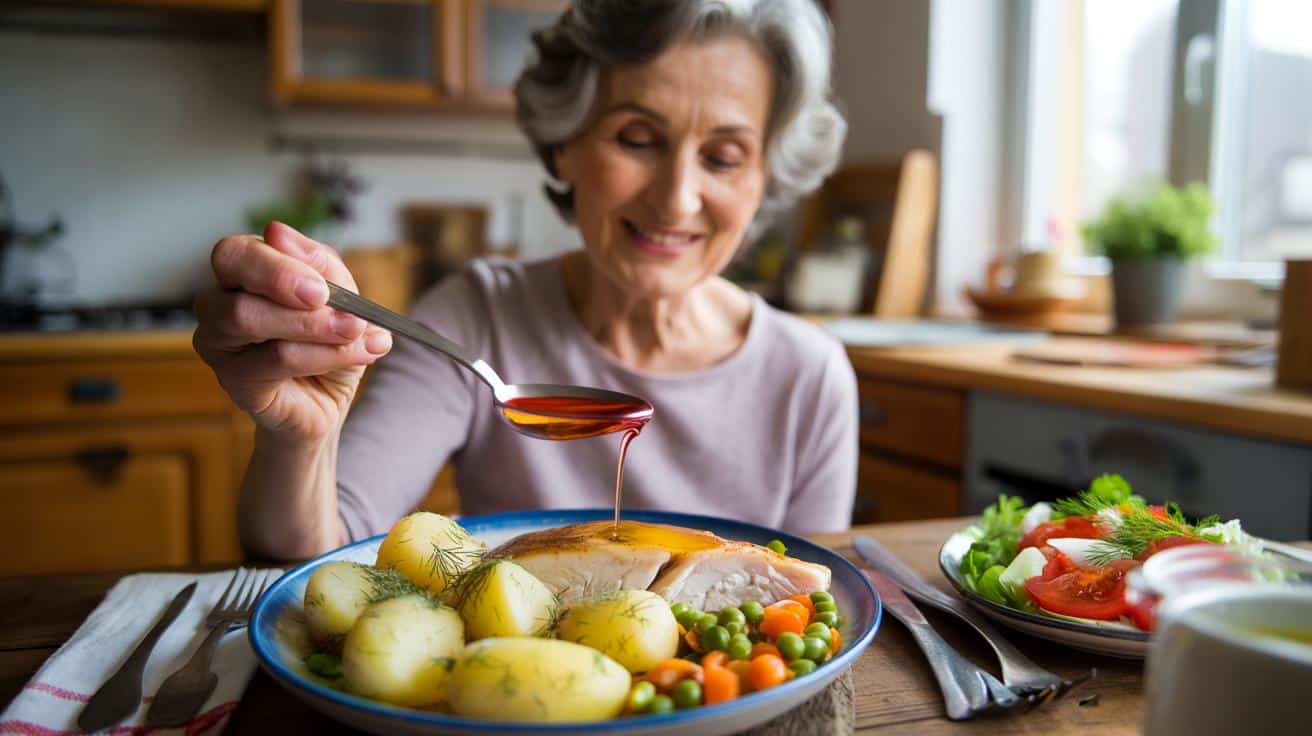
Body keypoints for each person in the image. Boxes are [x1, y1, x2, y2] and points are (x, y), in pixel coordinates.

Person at [194, 0, 857, 561]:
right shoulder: (473, 317)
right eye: (637, 138)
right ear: (567, 141)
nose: (678, 199)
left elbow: (813, 607)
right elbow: (318, 549)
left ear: (766, 177)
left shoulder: (811, 376)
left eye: (723, 157)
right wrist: (302, 439)